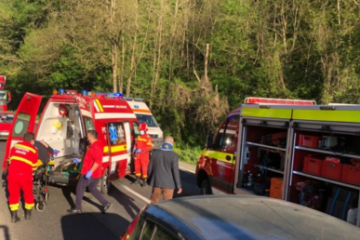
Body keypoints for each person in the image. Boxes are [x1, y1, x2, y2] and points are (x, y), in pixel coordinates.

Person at [67, 130, 112, 214]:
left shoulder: (95, 147)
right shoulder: (95, 145)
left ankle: (78, 208)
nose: (87, 139)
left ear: (91, 137)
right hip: (95, 174)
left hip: (89, 173)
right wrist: (80, 160)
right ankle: (106, 203)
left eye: (88, 137)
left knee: (79, 188)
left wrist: (90, 172)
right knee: (92, 189)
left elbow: (97, 162)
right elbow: (90, 158)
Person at [7, 132, 38, 223]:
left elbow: (11, 159)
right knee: (28, 193)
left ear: (24, 139)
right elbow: (34, 167)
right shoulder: (33, 150)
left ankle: (14, 216)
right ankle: (28, 214)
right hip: (25, 176)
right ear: (32, 140)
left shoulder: (15, 146)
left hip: (12, 174)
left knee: (13, 194)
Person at [148, 136, 182, 203]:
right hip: (169, 185)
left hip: (156, 183)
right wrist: (179, 186)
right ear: (172, 143)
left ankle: (151, 213)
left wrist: (150, 180)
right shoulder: (174, 155)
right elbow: (175, 171)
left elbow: (150, 168)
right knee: (167, 205)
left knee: (153, 203)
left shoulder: (155, 153)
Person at [133, 123, 153, 187]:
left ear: (144, 130)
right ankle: (137, 179)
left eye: (141, 130)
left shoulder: (148, 138)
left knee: (144, 168)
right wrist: (134, 149)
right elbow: (136, 144)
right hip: (138, 155)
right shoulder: (138, 137)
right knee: (137, 167)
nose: (140, 131)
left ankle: (144, 181)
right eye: (140, 130)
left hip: (144, 155)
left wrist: (141, 150)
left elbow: (149, 147)